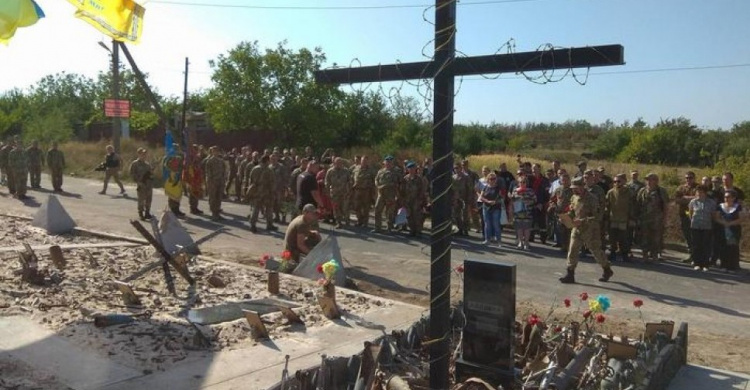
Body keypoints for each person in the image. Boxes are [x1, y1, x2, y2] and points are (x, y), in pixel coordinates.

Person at [558, 177, 614, 284]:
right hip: (577, 228)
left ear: (582, 187)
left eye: (576, 188)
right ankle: (570, 274)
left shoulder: (592, 199)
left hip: (591, 229)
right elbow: (572, 211)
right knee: (572, 250)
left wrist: (583, 221)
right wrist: (566, 218)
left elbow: (596, 216)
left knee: (596, 251)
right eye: (573, 188)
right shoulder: (574, 197)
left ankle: (607, 269)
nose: (574, 190)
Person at [636, 173, 669, 263]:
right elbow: (638, 204)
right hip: (644, 219)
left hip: (656, 219)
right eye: (647, 179)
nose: (648, 181)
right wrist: (637, 218)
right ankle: (645, 256)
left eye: (650, 179)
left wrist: (665, 219)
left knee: (656, 239)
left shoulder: (661, 191)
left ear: (656, 181)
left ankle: (655, 256)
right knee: (644, 237)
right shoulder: (642, 191)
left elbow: (666, 205)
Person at [605, 173, 635, 262]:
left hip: (624, 219)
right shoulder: (610, 192)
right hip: (613, 218)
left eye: (618, 181)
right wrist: (606, 218)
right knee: (612, 238)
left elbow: (633, 206)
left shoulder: (629, 192)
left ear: (624, 181)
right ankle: (612, 254)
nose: (616, 183)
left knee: (624, 239)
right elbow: (607, 206)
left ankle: (625, 254)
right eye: (615, 181)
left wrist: (632, 218)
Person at [714, 190, 744, 273]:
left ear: (733, 198)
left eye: (728, 197)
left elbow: (741, 218)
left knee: (733, 248)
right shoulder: (720, 206)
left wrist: (731, 223)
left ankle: (731, 267)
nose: (726, 198)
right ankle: (723, 265)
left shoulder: (738, 207)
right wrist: (724, 223)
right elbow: (716, 218)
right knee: (723, 247)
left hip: (734, 230)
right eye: (725, 197)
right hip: (722, 229)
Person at [688, 185, 716, 271]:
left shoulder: (711, 202)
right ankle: (697, 263)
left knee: (706, 246)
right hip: (695, 226)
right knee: (696, 245)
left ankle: (705, 264)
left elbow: (713, 215)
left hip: (707, 226)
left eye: (701, 192)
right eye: (698, 192)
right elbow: (690, 213)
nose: (699, 193)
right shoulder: (693, 202)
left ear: (705, 193)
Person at [247, 155, 277, 233]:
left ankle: (252, 225)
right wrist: (272, 192)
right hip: (266, 192)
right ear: (267, 161)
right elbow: (272, 182)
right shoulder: (269, 170)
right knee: (269, 208)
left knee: (256, 208)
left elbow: (251, 180)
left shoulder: (255, 169)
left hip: (257, 191)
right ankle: (269, 224)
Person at [508, 171, 536, 250]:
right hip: (518, 213)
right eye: (520, 182)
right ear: (518, 183)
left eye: (524, 182)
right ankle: (520, 242)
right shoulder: (515, 191)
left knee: (527, 228)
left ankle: (526, 242)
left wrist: (528, 202)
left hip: (527, 213)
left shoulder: (530, 191)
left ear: (526, 183)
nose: (522, 183)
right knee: (519, 228)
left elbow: (534, 200)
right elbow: (512, 201)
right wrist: (511, 211)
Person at [674, 171, 698, 262]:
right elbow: (677, 200)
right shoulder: (681, 188)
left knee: (695, 236)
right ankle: (691, 254)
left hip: (696, 216)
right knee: (687, 236)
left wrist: (685, 198)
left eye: (690, 177)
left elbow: (698, 199)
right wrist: (691, 198)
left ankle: (697, 256)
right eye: (687, 178)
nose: (688, 179)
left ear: (694, 178)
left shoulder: (697, 188)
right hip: (684, 215)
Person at [400, 161, 428, 237]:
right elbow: (402, 190)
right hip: (407, 200)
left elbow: (422, 190)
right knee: (409, 216)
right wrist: (402, 199)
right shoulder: (405, 178)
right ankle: (412, 230)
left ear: (415, 169)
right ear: (408, 169)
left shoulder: (419, 179)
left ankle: (418, 231)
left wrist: (420, 200)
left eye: (413, 168)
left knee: (417, 216)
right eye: (410, 168)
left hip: (416, 200)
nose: (411, 170)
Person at [373, 155, 400, 233]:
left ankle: (389, 228)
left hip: (390, 195)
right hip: (381, 194)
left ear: (392, 163)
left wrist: (397, 193)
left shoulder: (396, 171)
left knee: (389, 212)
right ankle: (377, 227)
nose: (388, 163)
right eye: (387, 162)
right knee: (377, 209)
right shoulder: (380, 171)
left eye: (390, 162)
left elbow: (399, 182)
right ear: (384, 162)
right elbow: (376, 179)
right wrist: (378, 185)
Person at [479, 172, 506, 245]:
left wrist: (495, 202)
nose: (492, 180)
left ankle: (499, 241)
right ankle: (487, 239)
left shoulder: (499, 188)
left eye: (494, 178)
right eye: (491, 179)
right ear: (488, 179)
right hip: (486, 207)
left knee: (496, 224)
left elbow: (502, 198)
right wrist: (487, 201)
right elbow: (481, 197)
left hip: (496, 208)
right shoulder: (485, 187)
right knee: (487, 224)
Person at [325, 157, 353, 228]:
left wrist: (350, 191)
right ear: (334, 163)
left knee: (345, 208)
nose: (338, 164)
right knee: (336, 208)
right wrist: (328, 192)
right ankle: (339, 222)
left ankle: (347, 222)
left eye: (340, 163)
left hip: (344, 193)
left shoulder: (346, 171)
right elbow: (327, 182)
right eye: (337, 163)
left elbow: (350, 181)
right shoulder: (330, 171)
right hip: (334, 194)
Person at [128, 148, 154, 221]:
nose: (144, 155)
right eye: (142, 154)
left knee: (149, 199)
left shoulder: (147, 164)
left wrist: (151, 173)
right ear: (139, 154)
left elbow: (150, 174)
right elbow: (132, 173)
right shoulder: (135, 163)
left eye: (145, 154)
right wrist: (138, 181)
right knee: (141, 199)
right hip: (141, 184)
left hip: (148, 184)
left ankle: (147, 213)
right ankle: (141, 213)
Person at [352, 155, 376, 227]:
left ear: (368, 161)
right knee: (356, 207)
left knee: (366, 208)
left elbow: (375, 180)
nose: (364, 162)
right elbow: (351, 176)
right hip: (357, 191)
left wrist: (373, 191)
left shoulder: (371, 170)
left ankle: (365, 223)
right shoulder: (356, 168)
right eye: (362, 161)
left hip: (367, 191)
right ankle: (359, 220)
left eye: (365, 161)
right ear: (361, 161)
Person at [162, 143, 186, 217]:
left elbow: (182, 167)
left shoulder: (179, 158)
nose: (176, 150)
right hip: (171, 179)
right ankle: (172, 210)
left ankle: (177, 209)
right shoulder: (167, 158)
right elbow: (165, 168)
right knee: (172, 195)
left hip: (178, 178)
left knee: (178, 194)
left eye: (177, 148)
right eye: (175, 148)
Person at [204, 146, 227, 221]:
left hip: (220, 181)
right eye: (214, 151)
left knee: (219, 197)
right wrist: (211, 181)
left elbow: (224, 170)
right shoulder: (209, 161)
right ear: (212, 152)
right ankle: (213, 213)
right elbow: (208, 172)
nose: (216, 152)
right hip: (212, 182)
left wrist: (224, 179)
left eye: (217, 151)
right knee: (213, 197)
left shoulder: (221, 161)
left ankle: (217, 212)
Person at [184, 144, 205, 215]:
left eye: (196, 149)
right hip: (191, 178)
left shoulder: (197, 156)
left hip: (197, 178)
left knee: (196, 193)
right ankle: (192, 208)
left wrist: (201, 150)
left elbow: (200, 156)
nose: (196, 150)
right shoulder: (189, 157)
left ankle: (195, 207)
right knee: (192, 193)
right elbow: (188, 166)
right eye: (194, 149)